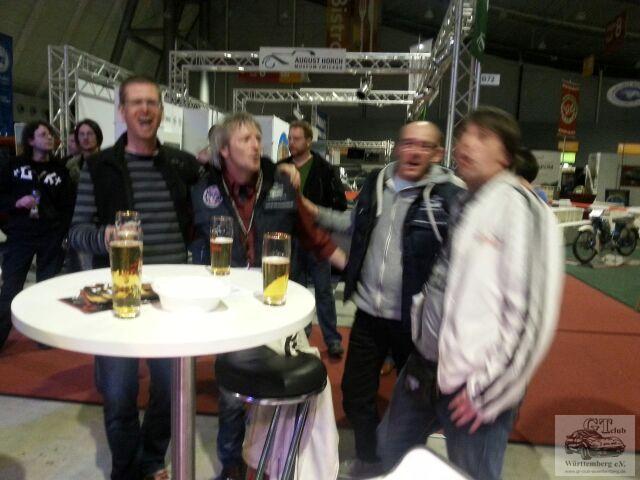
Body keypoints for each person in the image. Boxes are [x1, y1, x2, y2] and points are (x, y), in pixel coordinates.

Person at [378, 106, 563, 480]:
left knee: (473, 472)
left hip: (473, 382)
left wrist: (487, 393)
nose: (466, 143)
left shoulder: (521, 209)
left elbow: (530, 319)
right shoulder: (466, 201)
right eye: (464, 134)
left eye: (482, 136)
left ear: (506, 155)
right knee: (391, 452)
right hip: (426, 364)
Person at [300, 121, 463, 477]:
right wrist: (314, 211)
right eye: (408, 143)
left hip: (415, 322)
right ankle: (370, 459)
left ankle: (404, 466)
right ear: (397, 147)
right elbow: (353, 223)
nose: (414, 152)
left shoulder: (449, 197)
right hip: (369, 314)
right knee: (355, 394)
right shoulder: (377, 182)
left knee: (416, 406)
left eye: (424, 146)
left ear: (437, 153)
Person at [190, 112, 344, 480]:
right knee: (231, 392)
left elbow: (312, 235)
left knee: (275, 386)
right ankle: (232, 463)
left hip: (273, 303)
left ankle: (271, 458)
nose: (256, 145)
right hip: (227, 305)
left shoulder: (279, 184)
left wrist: (348, 264)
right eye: (245, 139)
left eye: (258, 138)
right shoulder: (201, 189)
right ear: (224, 149)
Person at [68, 75, 203, 480]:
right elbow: (77, 231)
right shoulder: (99, 167)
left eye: (152, 103)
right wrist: (106, 236)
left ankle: (151, 461)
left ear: (161, 111)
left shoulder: (181, 164)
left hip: (170, 300)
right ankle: (126, 470)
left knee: (171, 391)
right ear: (122, 111)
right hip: (120, 295)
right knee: (118, 395)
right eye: (136, 103)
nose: (145, 110)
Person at [0, 121, 74, 350]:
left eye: (50, 134)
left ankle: (44, 337)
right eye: (43, 134)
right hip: (20, 235)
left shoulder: (60, 170)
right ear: (31, 140)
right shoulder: (13, 166)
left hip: (51, 236)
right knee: (10, 288)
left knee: (47, 289)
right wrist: (16, 203)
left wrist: (62, 233)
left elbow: (68, 206)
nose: (49, 138)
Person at [279, 120, 347, 358]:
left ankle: (332, 339)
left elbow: (340, 203)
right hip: (291, 239)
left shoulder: (325, 170)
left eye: (297, 138)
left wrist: (318, 216)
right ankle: (299, 335)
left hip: (317, 238)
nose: (292, 143)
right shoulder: (280, 169)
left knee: (323, 290)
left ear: (309, 141)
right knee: (295, 290)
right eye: (290, 138)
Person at [65, 119, 103, 185]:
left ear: (97, 137)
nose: (85, 137)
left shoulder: (108, 162)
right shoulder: (70, 165)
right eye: (82, 134)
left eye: (90, 134)